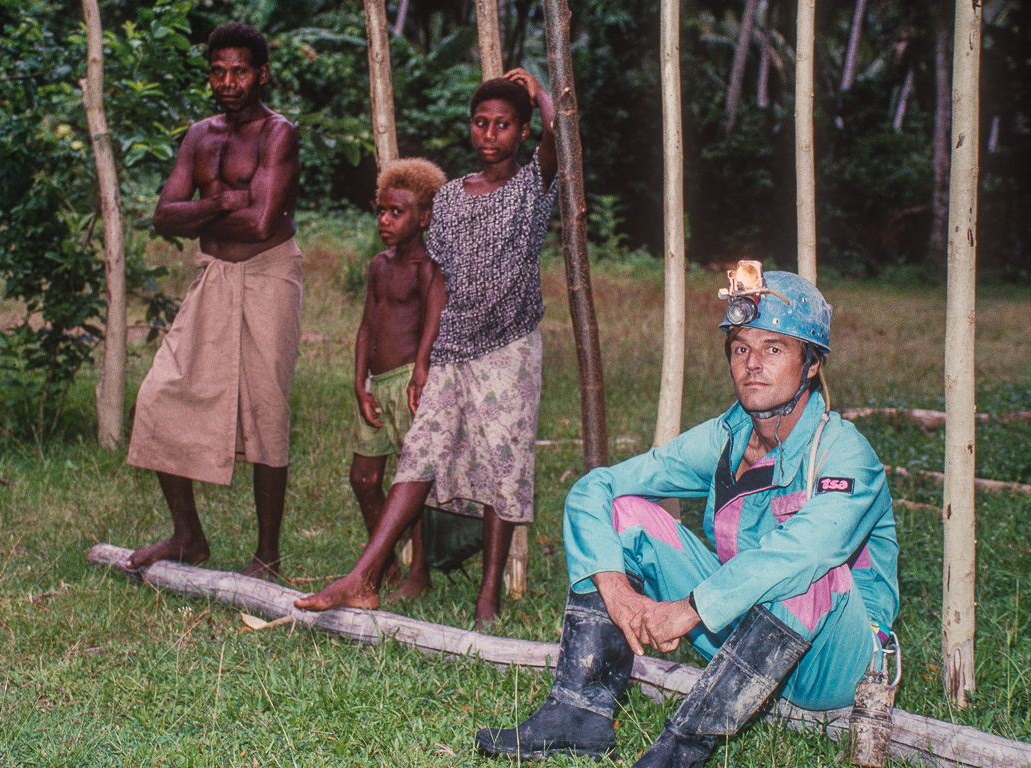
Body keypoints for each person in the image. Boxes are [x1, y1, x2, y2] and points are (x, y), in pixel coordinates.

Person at [476, 267, 899, 766]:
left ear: (810, 364)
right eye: (741, 348)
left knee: (808, 571)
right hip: (744, 633)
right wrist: (615, 589)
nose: (753, 364)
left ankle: (676, 753)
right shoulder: (729, 435)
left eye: (775, 349)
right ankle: (580, 714)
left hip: (837, 661)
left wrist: (691, 607)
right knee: (623, 511)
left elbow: (807, 549)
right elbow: (597, 487)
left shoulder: (843, 452)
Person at [295, 69, 559, 627]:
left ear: (523, 130)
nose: (490, 135)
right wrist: (419, 360)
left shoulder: (532, 188)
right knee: (419, 455)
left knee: (502, 466)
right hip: (449, 350)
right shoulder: (451, 198)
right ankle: (363, 577)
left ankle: (488, 596)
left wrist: (540, 92)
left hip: (508, 349)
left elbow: (562, 143)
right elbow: (431, 278)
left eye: (504, 125)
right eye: (481, 123)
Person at [125, 22, 301, 581]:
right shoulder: (199, 135)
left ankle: (267, 554)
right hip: (214, 274)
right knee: (159, 394)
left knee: (266, 407)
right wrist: (225, 200)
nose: (228, 81)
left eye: (241, 70)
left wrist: (200, 209)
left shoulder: (279, 134)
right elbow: (161, 216)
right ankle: (188, 536)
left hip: (269, 273)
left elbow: (263, 222)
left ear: (262, 74)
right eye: (219, 71)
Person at [349, 158, 447, 599]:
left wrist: (422, 371)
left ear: (424, 218)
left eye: (397, 212)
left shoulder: (426, 269)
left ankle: (419, 573)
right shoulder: (378, 265)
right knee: (364, 479)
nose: (385, 220)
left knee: (413, 482)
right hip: (377, 384)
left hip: (409, 384)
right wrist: (358, 382)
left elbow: (432, 322)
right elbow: (367, 326)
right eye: (381, 210)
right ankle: (384, 557)